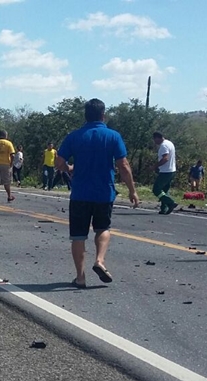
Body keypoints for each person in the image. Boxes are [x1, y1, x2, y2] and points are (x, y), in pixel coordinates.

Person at [56, 98, 139, 288]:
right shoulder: (113, 136)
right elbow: (123, 165)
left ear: (85, 116)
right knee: (103, 228)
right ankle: (100, 260)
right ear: (103, 115)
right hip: (104, 193)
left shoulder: (75, 136)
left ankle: (80, 277)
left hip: (80, 194)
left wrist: (70, 167)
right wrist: (132, 191)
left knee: (78, 236)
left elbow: (59, 163)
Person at [151, 132, 178, 215]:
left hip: (166, 171)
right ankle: (164, 209)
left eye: (154, 139)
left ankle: (170, 202)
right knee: (164, 190)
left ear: (157, 138)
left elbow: (165, 158)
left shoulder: (164, 146)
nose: (154, 142)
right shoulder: (170, 143)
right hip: (172, 170)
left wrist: (155, 166)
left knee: (156, 189)